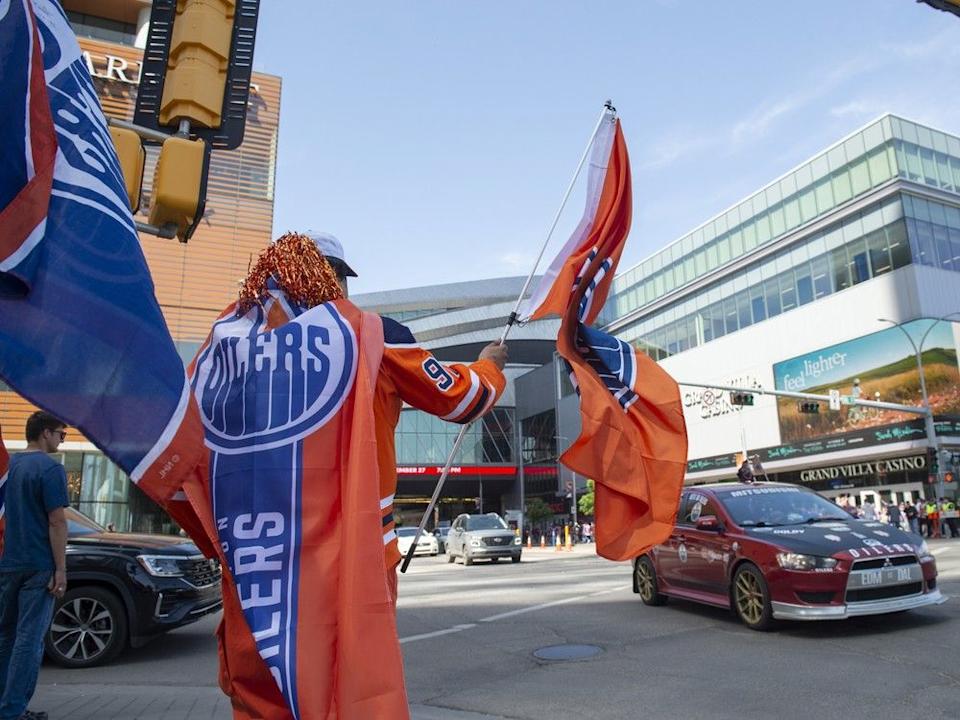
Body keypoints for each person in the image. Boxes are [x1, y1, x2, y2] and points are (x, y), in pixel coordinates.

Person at [178, 232, 508, 719]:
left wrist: (216, 540)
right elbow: (462, 397)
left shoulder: (223, 349)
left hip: (256, 553)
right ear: (327, 277)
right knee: (348, 678)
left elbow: (181, 450)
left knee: (262, 682)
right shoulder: (367, 333)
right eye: (339, 278)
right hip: (353, 550)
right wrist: (491, 366)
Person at [0, 412, 68, 720]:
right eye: (60, 434)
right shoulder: (51, 468)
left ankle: (6, 707)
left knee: (6, 636)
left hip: (7, 562)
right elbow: (57, 521)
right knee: (29, 638)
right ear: (44, 433)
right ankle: (14, 710)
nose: (61, 439)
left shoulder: (8, 466)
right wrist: (61, 569)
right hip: (39, 564)